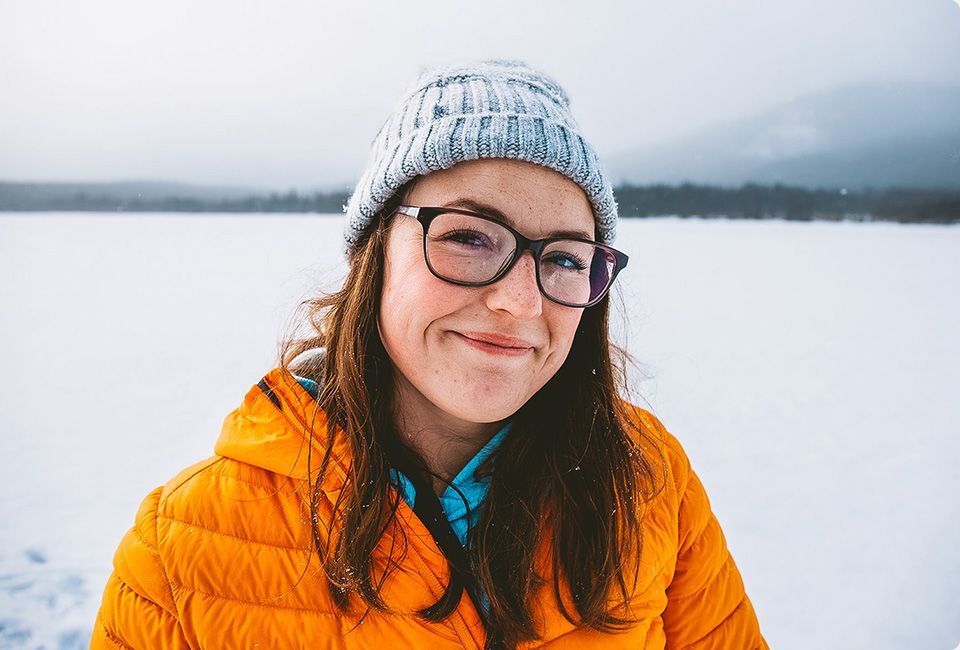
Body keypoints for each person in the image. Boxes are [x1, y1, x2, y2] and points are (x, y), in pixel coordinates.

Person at [91, 60, 766, 649]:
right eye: (470, 238)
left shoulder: (649, 484)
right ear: (374, 256)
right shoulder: (182, 549)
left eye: (563, 257)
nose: (521, 302)